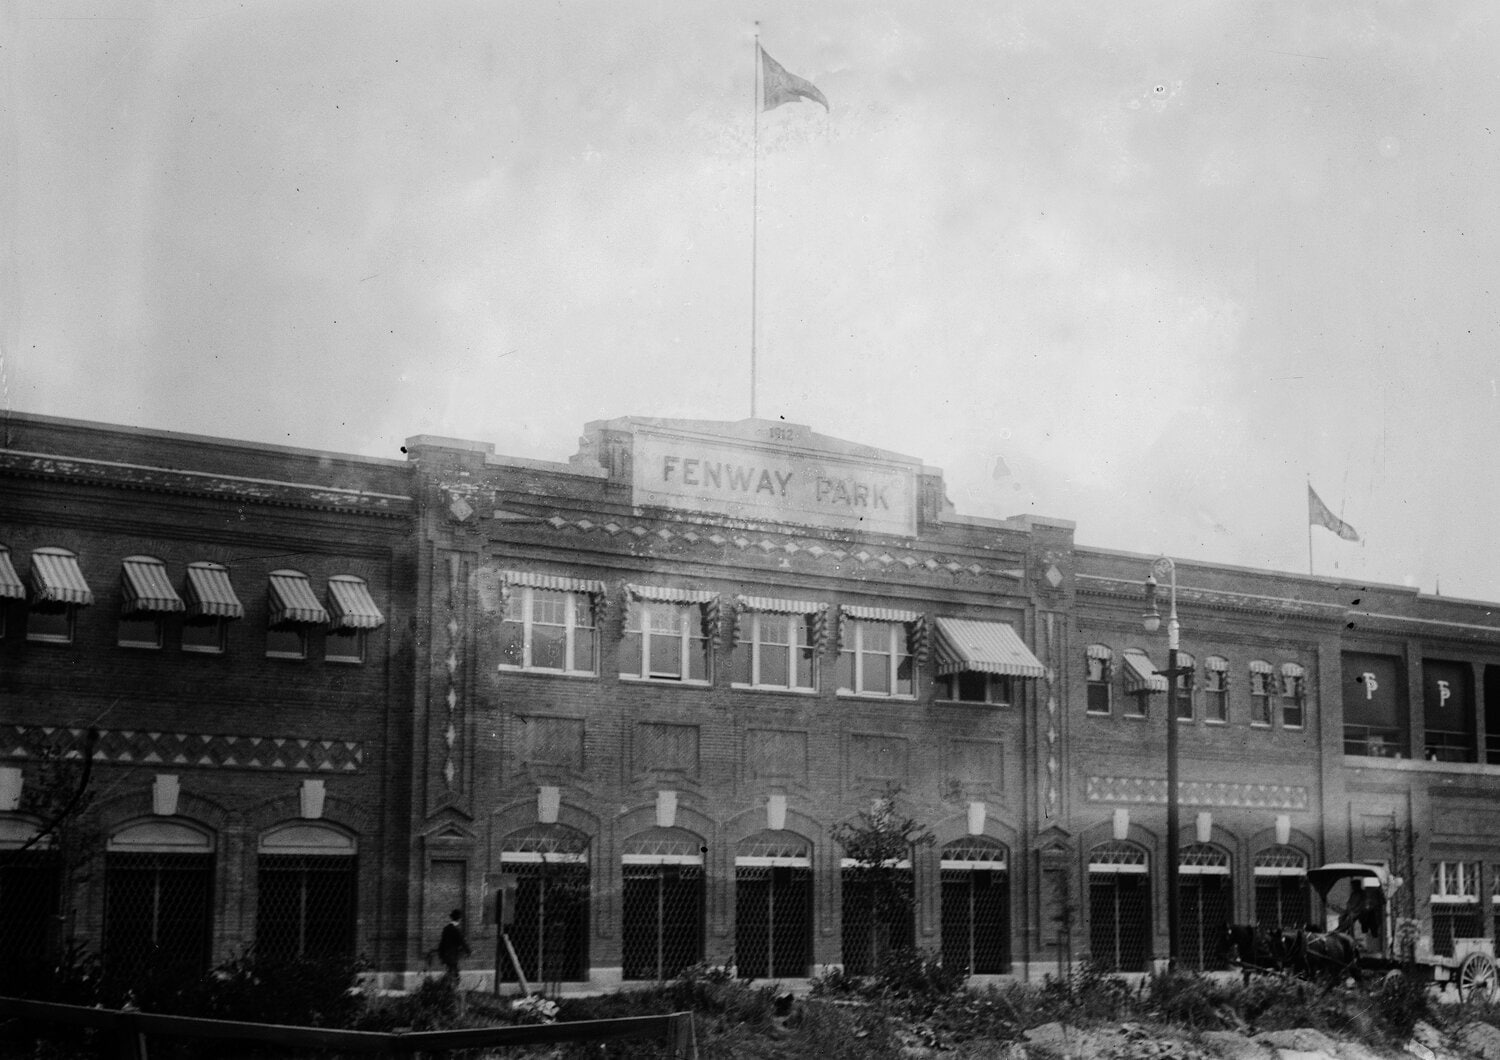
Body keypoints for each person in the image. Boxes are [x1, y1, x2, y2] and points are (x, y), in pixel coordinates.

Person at [438, 908, 472, 982]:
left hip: (445, 955)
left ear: (452, 918)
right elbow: (462, 942)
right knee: (454, 974)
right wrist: (469, 951)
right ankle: (450, 988)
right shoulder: (456, 930)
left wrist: (440, 954)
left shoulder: (446, 929)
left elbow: (442, 943)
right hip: (452, 956)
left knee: (450, 972)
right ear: (459, 919)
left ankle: (448, 986)